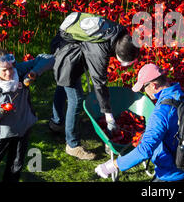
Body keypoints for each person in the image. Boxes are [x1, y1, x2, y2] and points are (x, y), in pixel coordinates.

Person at [49, 12, 139, 160]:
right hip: (65, 52)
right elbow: (99, 83)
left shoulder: (121, 34)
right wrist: (108, 115)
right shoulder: (100, 50)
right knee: (76, 98)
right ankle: (72, 145)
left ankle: (56, 122)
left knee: (64, 83)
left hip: (71, 42)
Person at [0, 49, 54, 182]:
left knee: (16, 167)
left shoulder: (20, 70)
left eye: (11, 68)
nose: (9, 73)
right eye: (4, 70)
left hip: (23, 128)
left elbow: (49, 58)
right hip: (1, 133)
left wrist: (34, 73)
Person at [95, 63, 184, 182]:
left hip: (170, 174)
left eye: (143, 88)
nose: (144, 92)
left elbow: (145, 150)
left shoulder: (161, 112)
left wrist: (110, 166)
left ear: (153, 85)